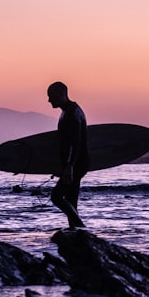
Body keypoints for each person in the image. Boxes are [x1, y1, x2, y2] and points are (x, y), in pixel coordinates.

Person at [47, 81, 89, 229]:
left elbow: (75, 142)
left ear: (61, 94)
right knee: (71, 201)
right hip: (73, 164)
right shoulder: (67, 111)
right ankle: (76, 232)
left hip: (76, 164)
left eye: (51, 96)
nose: (49, 100)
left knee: (56, 197)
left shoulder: (73, 113)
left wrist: (70, 166)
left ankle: (80, 226)